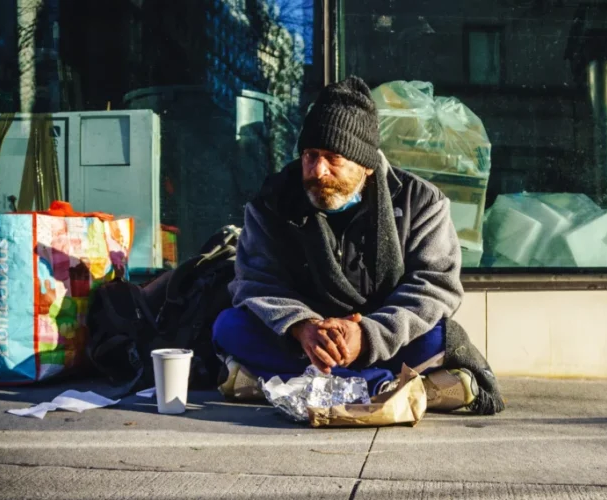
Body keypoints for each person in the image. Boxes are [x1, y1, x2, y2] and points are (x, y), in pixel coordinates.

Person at [212, 76, 504, 414]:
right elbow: (255, 281)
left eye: (333, 157)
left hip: (383, 338)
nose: (318, 170)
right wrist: (302, 326)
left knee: (439, 335)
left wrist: (365, 336)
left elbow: (434, 286)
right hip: (304, 343)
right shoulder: (273, 201)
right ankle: (384, 386)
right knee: (229, 326)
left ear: (365, 164)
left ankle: (283, 383)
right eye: (310, 155)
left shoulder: (421, 201)